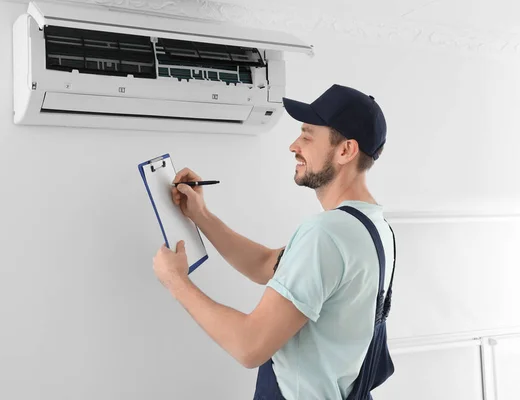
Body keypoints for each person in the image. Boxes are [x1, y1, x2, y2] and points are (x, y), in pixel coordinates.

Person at [152, 84, 397, 400]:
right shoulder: (374, 228)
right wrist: (201, 216)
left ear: (346, 150)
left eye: (308, 136)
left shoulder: (325, 233)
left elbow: (249, 346)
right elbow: (268, 265)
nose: (294, 146)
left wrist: (176, 282)